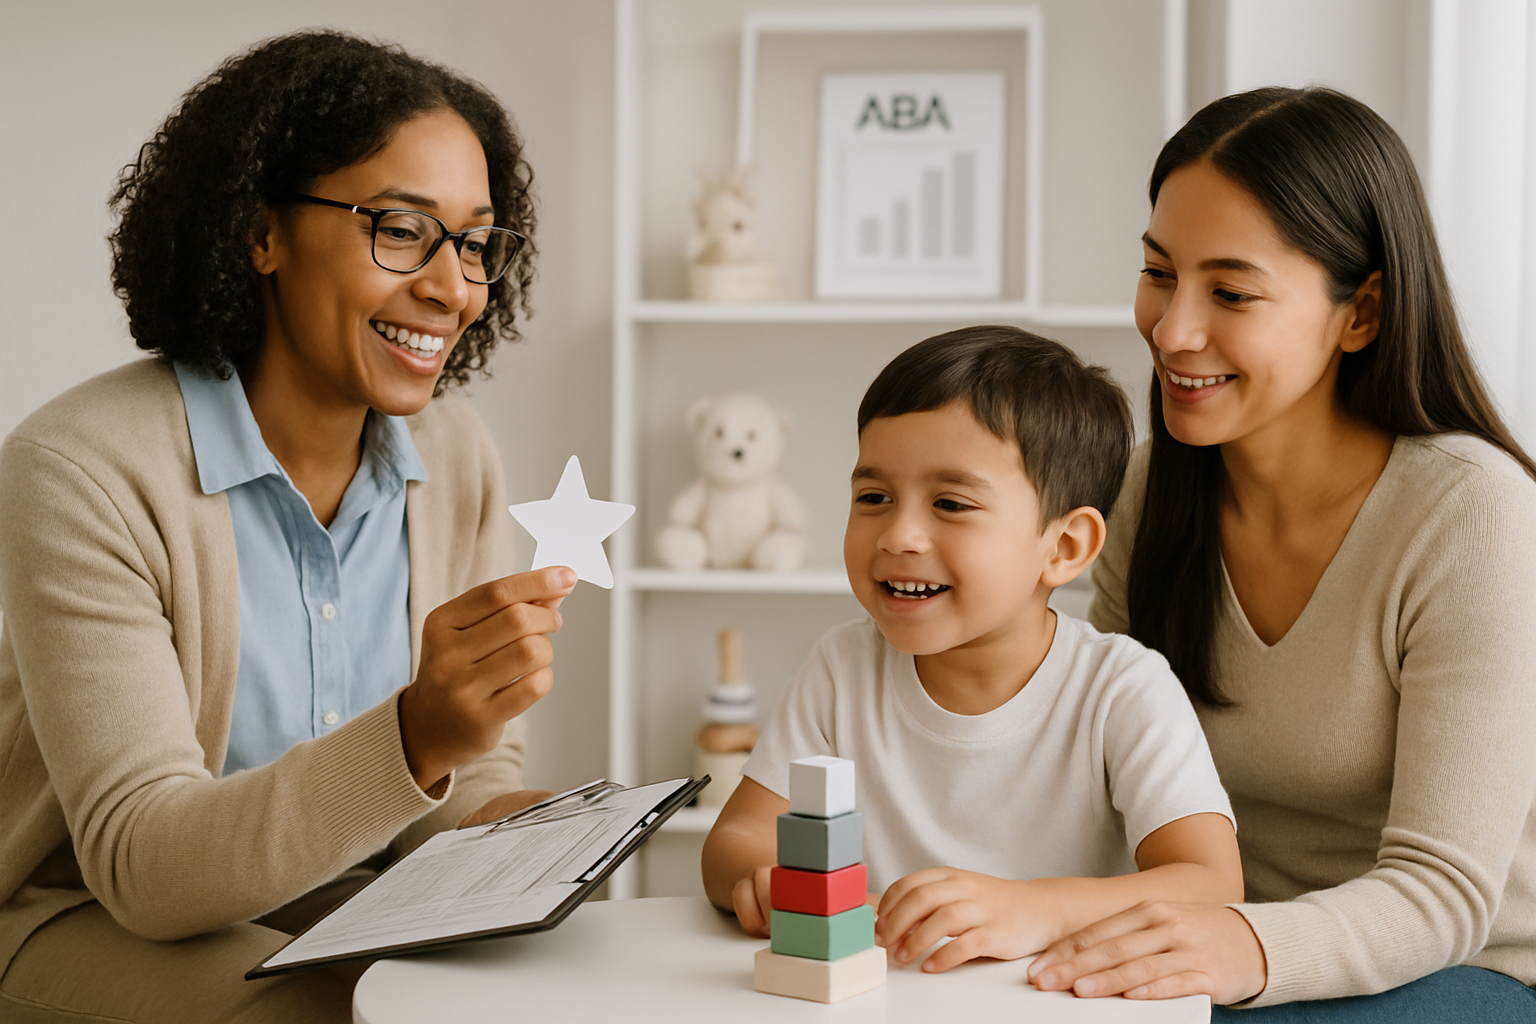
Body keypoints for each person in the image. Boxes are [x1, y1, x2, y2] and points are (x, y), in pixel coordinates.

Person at [0, 31, 572, 1022]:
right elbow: (143, 864)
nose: (453, 286)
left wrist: (523, 836)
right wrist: (412, 734)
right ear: (260, 232)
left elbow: (469, 772)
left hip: (340, 902)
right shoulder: (79, 470)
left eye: (477, 241)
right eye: (401, 229)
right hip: (82, 912)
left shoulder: (458, 455)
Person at [1024, 87, 1536, 1019]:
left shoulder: (1475, 516)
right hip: (1210, 954)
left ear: (1362, 313)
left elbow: (1445, 893)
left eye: (1230, 292)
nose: (1173, 330)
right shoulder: (1145, 493)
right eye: (1157, 272)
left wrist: (1242, 944)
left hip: (1458, 972)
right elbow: (1098, 778)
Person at [701, 325, 1243, 973]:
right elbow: (734, 840)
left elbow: (1211, 884)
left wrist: (1032, 909)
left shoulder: (1122, 687)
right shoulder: (841, 666)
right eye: (873, 497)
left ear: (1064, 548)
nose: (899, 535)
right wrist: (769, 881)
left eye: (951, 504)